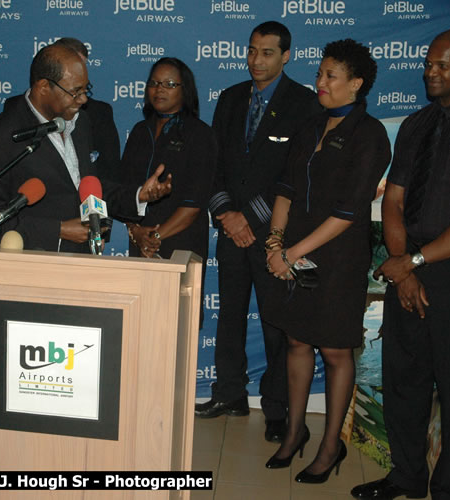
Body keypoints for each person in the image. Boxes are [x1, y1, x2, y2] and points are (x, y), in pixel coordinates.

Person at [351, 28, 450, 500]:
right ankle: (406, 476)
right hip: (409, 268)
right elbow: (395, 200)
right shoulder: (419, 123)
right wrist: (403, 264)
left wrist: (416, 261)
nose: (430, 72)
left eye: (442, 64)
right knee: (404, 380)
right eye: (427, 63)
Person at [263, 39, 390, 484]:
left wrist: (294, 253)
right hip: (291, 256)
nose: (319, 82)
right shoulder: (309, 126)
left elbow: (350, 212)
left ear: (356, 83)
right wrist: (275, 245)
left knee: (335, 351)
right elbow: (286, 190)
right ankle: (295, 432)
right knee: (297, 342)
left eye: (330, 76)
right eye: (319, 73)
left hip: (337, 261)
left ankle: (330, 445)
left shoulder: (369, 135)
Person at [196, 21, 322, 445]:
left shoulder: (304, 103)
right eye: (251, 51)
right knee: (229, 316)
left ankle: (277, 407)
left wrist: (249, 218)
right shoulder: (231, 98)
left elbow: (297, 172)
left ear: (286, 56)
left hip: (274, 236)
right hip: (231, 231)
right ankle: (229, 394)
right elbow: (213, 165)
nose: (256, 60)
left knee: (275, 325)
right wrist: (226, 214)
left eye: (267, 52)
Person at [0, 43, 170, 253]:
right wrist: (59, 230)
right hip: (30, 266)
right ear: (44, 87)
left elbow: (84, 187)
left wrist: (138, 196)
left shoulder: (79, 122)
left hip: (82, 260)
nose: (83, 99)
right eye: (75, 92)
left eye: (85, 89)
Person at [120, 57, 216, 268]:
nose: (159, 89)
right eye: (154, 83)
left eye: (169, 84)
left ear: (185, 90)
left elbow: (193, 204)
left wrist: (154, 236)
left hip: (181, 243)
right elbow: (123, 192)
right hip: (140, 243)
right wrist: (136, 231)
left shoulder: (199, 134)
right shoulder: (139, 131)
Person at [52, 38, 121, 182]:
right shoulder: (19, 113)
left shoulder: (99, 114)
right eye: (73, 66)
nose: (80, 73)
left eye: (82, 66)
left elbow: (110, 175)